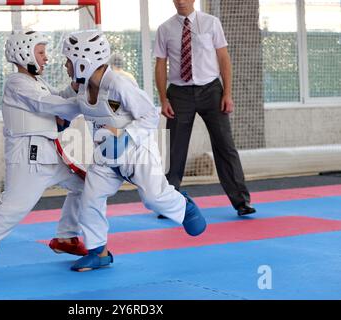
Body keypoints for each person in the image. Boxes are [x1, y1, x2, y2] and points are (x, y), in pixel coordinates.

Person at [13, 30, 208, 272]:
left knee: (153, 199)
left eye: (68, 61)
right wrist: (32, 99)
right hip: (105, 156)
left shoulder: (118, 84)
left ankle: (184, 205)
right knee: (90, 198)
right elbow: (61, 103)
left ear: (84, 61)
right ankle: (99, 252)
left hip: (137, 153)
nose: (65, 65)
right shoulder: (81, 88)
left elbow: (149, 114)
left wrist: (126, 137)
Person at [0, 31, 87, 276]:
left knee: (85, 185)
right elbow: (45, 104)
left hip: (50, 153)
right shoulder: (16, 82)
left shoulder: (35, 82)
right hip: (28, 157)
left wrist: (75, 87)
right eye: (41, 53)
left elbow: (56, 97)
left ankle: (67, 237)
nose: (46, 58)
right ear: (24, 54)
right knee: (13, 208)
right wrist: (85, 104)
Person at [154, 0, 256, 217]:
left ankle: (241, 201)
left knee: (225, 146)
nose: (180, 1)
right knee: (176, 150)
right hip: (179, 93)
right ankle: (169, 204)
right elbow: (160, 64)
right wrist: (163, 99)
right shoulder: (165, 29)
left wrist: (227, 93)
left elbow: (223, 58)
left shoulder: (212, 23)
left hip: (211, 91)